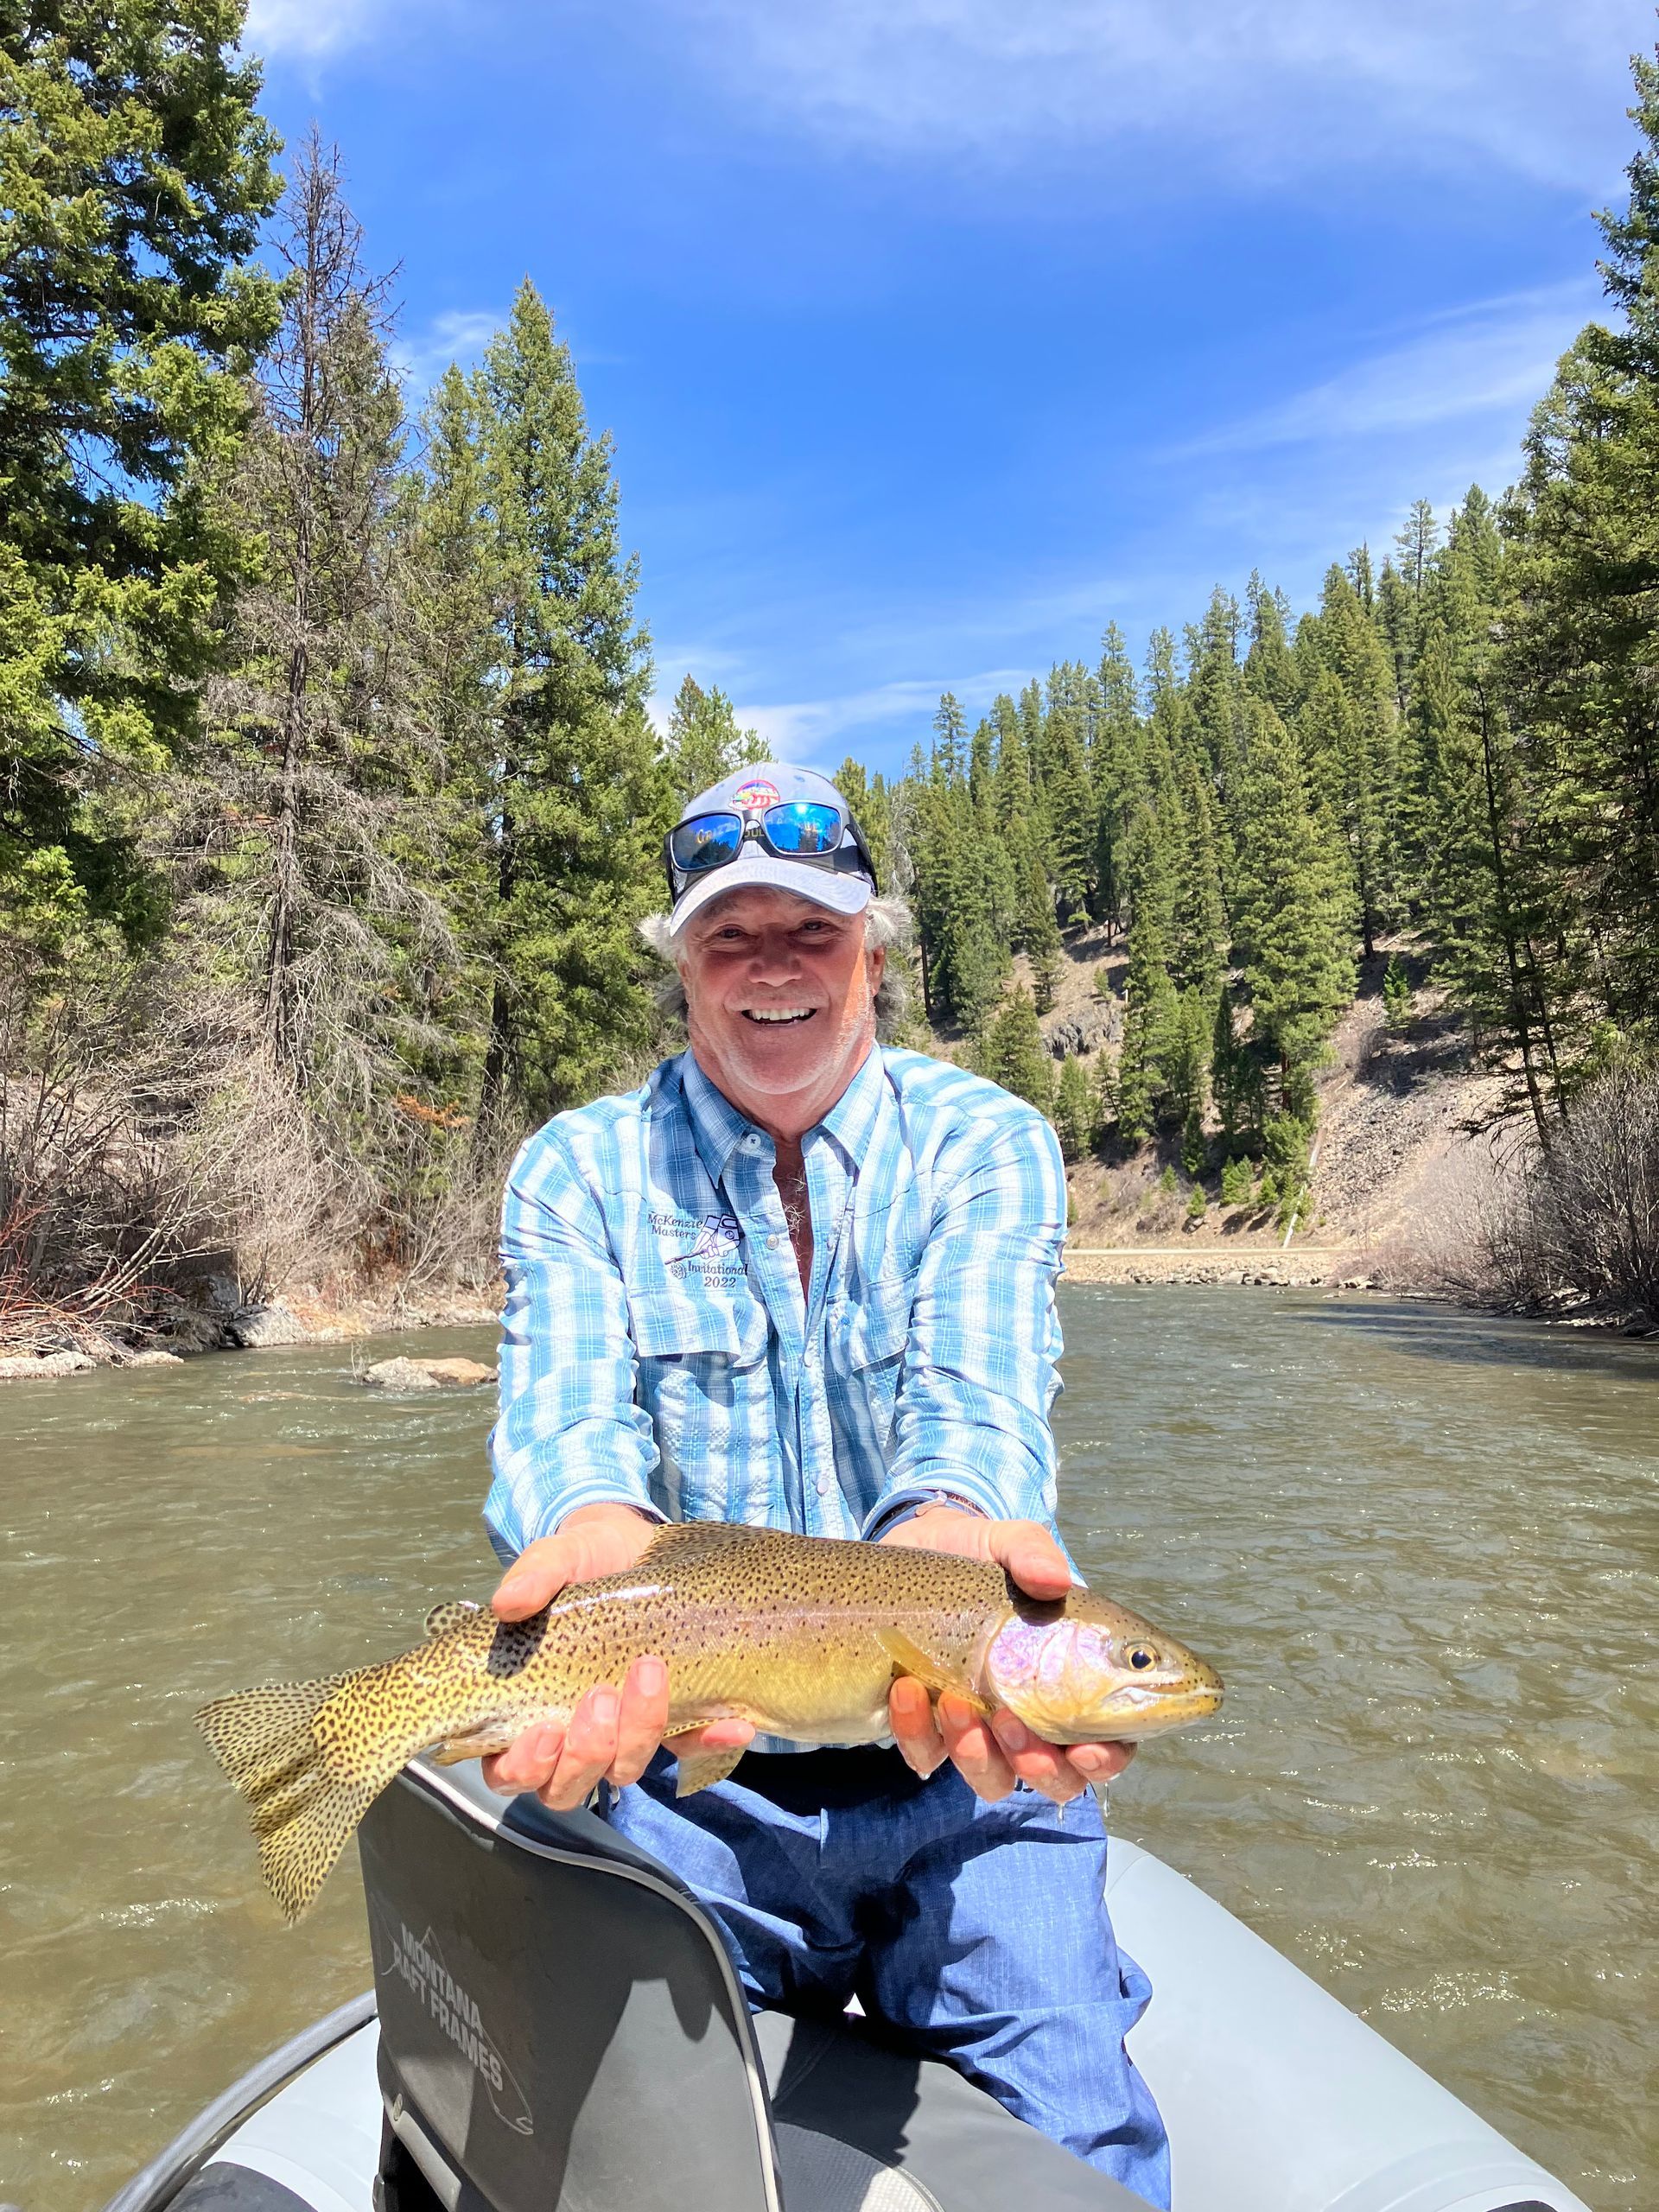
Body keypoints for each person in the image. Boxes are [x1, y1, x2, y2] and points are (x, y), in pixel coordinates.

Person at [481, 763, 1169, 2206]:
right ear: (681, 967)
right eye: (731, 937)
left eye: (813, 930)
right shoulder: (577, 1172)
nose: (773, 969)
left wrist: (958, 1544)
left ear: (875, 950)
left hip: (969, 1784)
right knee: (607, 2165)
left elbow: (973, 1426)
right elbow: (569, 1446)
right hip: (683, 1777)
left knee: (1077, 2159)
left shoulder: (987, 1141)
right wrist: (586, 1535)